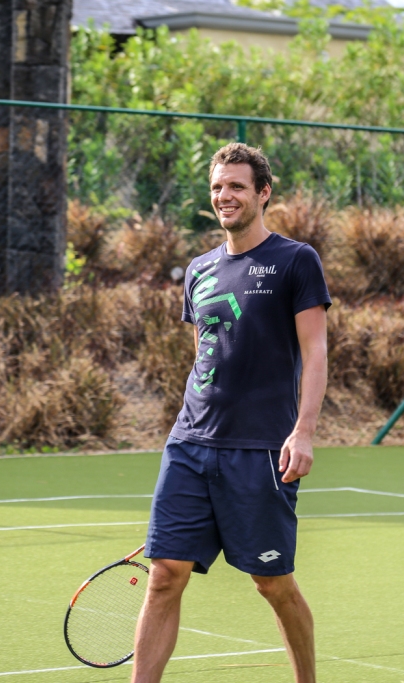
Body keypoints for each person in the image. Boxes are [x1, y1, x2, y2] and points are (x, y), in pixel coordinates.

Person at [132, 143, 331, 683]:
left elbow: (315, 353)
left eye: (237, 186)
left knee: (273, 584)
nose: (225, 196)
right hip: (190, 445)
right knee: (164, 575)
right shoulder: (198, 270)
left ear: (263, 193)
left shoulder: (295, 261)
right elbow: (205, 357)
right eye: (219, 187)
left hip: (262, 450)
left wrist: (304, 432)